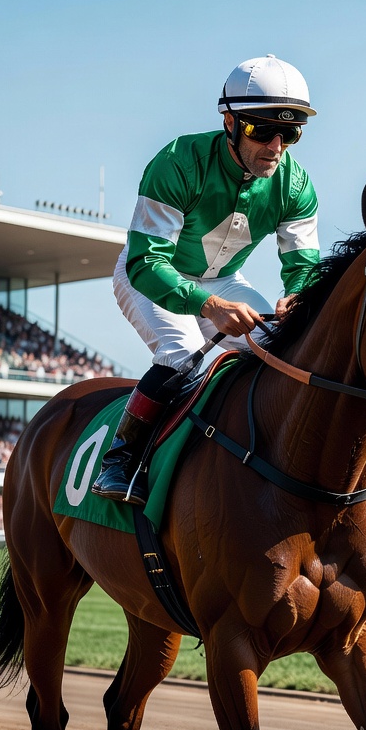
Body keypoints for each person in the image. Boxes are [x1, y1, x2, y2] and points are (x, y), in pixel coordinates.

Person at [94, 55, 321, 503]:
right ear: (229, 120)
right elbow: (147, 262)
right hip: (152, 273)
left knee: (288, 345)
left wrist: (296, 296)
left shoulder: (296, 185)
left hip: (223, 278)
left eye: (290, 133)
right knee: (182, 356)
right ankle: (120, 459)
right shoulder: (178, 161)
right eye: (262, 130)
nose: (276, 146)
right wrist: (209, 306)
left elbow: (303, 267)